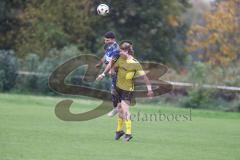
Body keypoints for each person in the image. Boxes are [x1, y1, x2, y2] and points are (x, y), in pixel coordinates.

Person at [97, 41, 154, 141]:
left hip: (127, 89)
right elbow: (113, 67)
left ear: (127, 51)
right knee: (119, 109)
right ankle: (119, 131)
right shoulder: (120, 59)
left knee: (125, 110)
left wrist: (149, 89)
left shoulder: (135, 63)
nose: (120, 53)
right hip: (118, 87)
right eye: (120, 51)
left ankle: (128, 133)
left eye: (122, 51)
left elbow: (145, 78)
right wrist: (109, 72)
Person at [95, 31, 120, 117]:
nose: (105, 42)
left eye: (107, 40)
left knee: (115, 91)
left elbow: (111, 63)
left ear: (113, 39)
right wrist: (100, 63)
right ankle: (117, 108)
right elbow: (106, 56)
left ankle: (118, 108)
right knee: (113, 91)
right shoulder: (109, 47)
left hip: (118, 73)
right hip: (112, 73)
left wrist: (103, 74)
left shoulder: (116, 49)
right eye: (105, 40)